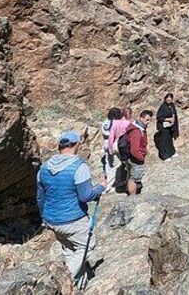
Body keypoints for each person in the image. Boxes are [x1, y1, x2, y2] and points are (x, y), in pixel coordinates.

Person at [36, 131, 106, 280]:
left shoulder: (44, 168)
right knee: (86, 245)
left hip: (51, 220)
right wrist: (100, 187)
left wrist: (44, 216)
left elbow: (40, 197)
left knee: (69, 249)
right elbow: (86, 196)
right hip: (72, 219)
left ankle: (77, 282)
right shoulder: (79, 166)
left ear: (59, 146)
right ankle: (63, 279)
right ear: (76, 145)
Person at [126, 110, 153, 195]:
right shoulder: (137, 131)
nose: (148, 122)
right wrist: (141, 158)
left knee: (130, 174)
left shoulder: (137, 126)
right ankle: (132, 197)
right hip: (135, 158)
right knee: (134, 178)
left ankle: (129, 191)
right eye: (147, 119)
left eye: (149, 120)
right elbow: (134, 149)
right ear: (141, 117)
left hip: (130, 156)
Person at [108, 107, 133, 190]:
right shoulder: (129, 123)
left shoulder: (115, 123)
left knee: (117, 165)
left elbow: (111, 137)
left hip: (115, 145)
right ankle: (128, 183)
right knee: (129, 165)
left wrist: (110, 148)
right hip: (124, 146)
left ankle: (114, 183)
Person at [100, 108, 122, 185]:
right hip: (114, 144)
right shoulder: (118, 123)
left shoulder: (105, 123)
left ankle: (109, 181)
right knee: (117, 164)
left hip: (106, 143)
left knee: (108, 164)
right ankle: (114, 183)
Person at [154, 93, 179, 161]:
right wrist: (168, 119)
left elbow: (174, 114)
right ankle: (164, 156)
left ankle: (171, 153)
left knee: (169, 140)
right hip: (163, 127)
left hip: (170, 126)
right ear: (165, 99)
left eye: (170, 98)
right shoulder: (163, 107)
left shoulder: (172, 105)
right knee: (163, 141)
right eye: (167, 98)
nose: (169, 99)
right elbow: (159, 117)